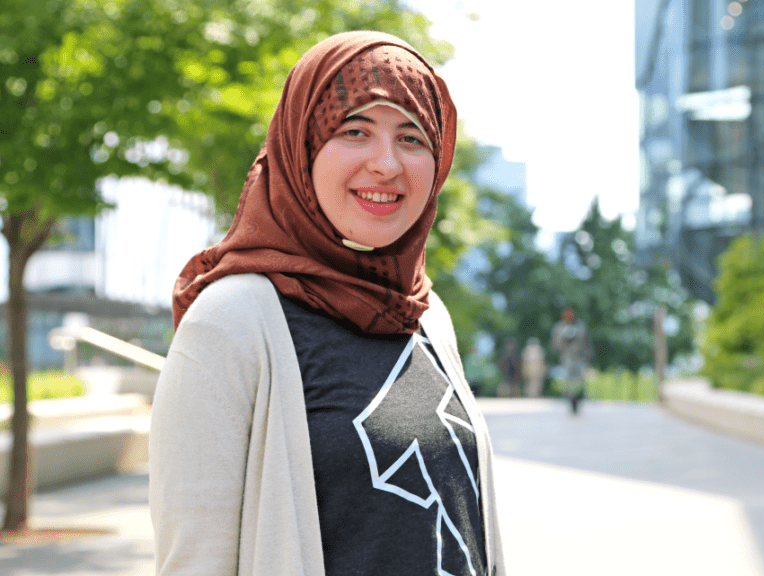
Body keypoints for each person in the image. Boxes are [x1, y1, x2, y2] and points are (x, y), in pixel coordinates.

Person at [149, 31, 504, 576]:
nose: (387, 164)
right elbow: (194, 561)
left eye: (412, 138)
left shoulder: (426, 314)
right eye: (354, 130)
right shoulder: (231, 321)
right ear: (302, 145)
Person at [550, 306, 592, 414]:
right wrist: (564, 339)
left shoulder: (580, 325)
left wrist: (589, 359)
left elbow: (587, 342)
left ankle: (580, 396)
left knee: (580, 380)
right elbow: (554, 344)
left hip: (580, 357)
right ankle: (570, 398)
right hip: (567, 356)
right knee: (568, 380)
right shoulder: (559, 327)